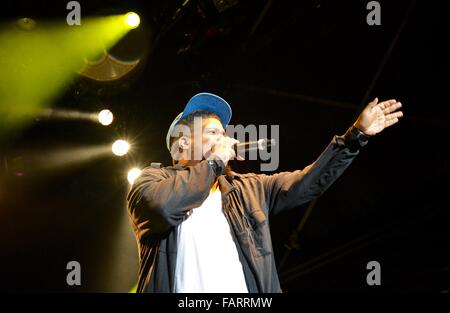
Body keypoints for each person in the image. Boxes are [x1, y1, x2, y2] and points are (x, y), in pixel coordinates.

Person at [127, 92, 403, 293]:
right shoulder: (152, 180)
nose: (223, 138)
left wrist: (355, 136)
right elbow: (162, 207)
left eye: (223, 133)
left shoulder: (247, 187)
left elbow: (306, 183)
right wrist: (214, 162)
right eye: (212, 132)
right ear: (184, 143)